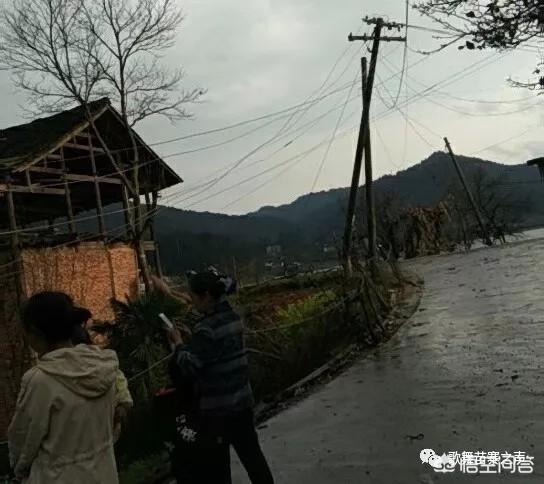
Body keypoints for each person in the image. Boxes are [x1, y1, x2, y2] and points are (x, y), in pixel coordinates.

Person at [164, 271, 274, 484]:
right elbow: (214, 353)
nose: (193, 303)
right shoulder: (234, 318)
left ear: (206, 296)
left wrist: (178, 343)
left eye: (194, 298)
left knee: (218, 470)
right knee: (254, 460)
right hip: (242, 401)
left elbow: (189, 365)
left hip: (218, 411)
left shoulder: (206, 328)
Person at [8, 292, 120, 483]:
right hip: (105, 472)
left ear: (35, 331)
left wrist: (19, 471)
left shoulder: (40, 380)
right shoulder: (102, 365)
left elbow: (23, 440)